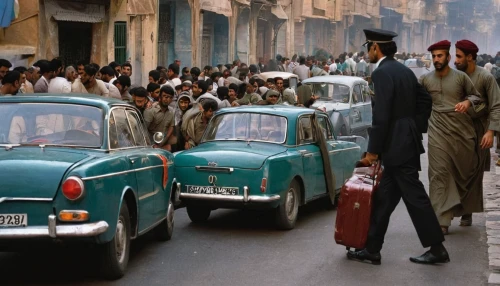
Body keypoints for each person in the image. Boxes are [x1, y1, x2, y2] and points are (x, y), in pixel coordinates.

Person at [347, 29, 449, 265]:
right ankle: (372, 249)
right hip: (403, 143)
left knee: (415, 198)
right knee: (384, 199)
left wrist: (372, 152)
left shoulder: (382, 73)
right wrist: (413, 125)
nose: (367, 52)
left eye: (368, 47)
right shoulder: (403, 70)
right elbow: (424, 100)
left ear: (375, 47)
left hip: (397, 147)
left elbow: (381, 116)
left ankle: (437, 248)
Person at [421, 40, 483, 235]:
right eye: (434, 56)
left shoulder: (461, 77)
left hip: (461, 133)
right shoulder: (425, 80)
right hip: (437, 131)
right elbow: (415, 100)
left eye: (440, 56)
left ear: (448, 57)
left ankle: (463, 209)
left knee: (461, 174)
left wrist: (466, 102)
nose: (436, 59)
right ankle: (441, 220)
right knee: (439, 173)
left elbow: (477, 97)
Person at [453, 40, 500, 226]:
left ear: (470, 57)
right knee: (453, 170)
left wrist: (490, 132)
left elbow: (496, 105)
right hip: (455, 130)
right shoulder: (453, 77)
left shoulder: (485, 78)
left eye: (458, 56)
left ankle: (467, 210)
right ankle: (448, 213)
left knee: (474, 172)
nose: (455, 60)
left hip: (479, 130)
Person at [144, 86, 175, 151]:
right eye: (165, 96)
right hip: (150, 145)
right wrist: (150, 146)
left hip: (163, 144)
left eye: (170, 97)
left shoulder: (171, 112)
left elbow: (171, 127)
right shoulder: (151, 111)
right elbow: (144, 130)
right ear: (160, 97)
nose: (167, 99)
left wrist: (162, 143)